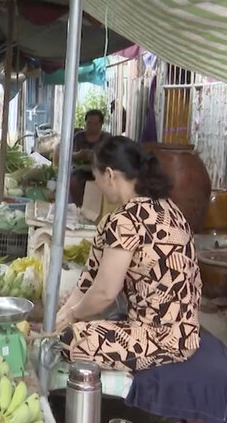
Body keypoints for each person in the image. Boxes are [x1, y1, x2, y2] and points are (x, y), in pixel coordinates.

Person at [55, 136, 202, 372]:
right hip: (187, 331)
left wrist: (71, 315)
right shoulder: (169, 207)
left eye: (97, 177)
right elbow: (89, 281)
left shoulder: (125, 220)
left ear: (110, 175)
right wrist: (62, 315)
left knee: (67, 340)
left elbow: (104, 293)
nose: (97, 185)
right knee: (63, 326)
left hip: (161, 338)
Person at [54, 109, 110, 206]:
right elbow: (68, 155)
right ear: (85, 123)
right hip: (80, 170)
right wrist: (78, 155)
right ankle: (79, 205)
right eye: (89, 123)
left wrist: (95, 156)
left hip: (101, 170)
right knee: (73, 180)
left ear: (101, 124)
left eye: (96, 124)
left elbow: (111, 157)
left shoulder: (107, 138)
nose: (92, 126)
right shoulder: (79, 137)